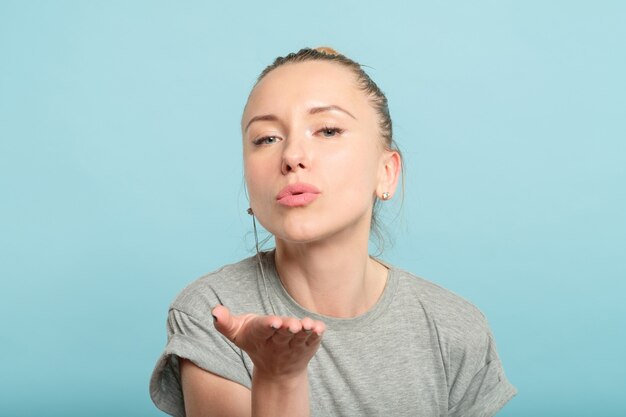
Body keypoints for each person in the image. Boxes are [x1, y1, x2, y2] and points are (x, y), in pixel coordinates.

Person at [149, 47, 517, 417]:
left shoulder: (455, 329)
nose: (292, 155)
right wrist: (278, 378)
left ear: (386, 172)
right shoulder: (213, 313)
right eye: (266, 138)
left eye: (328, 130)